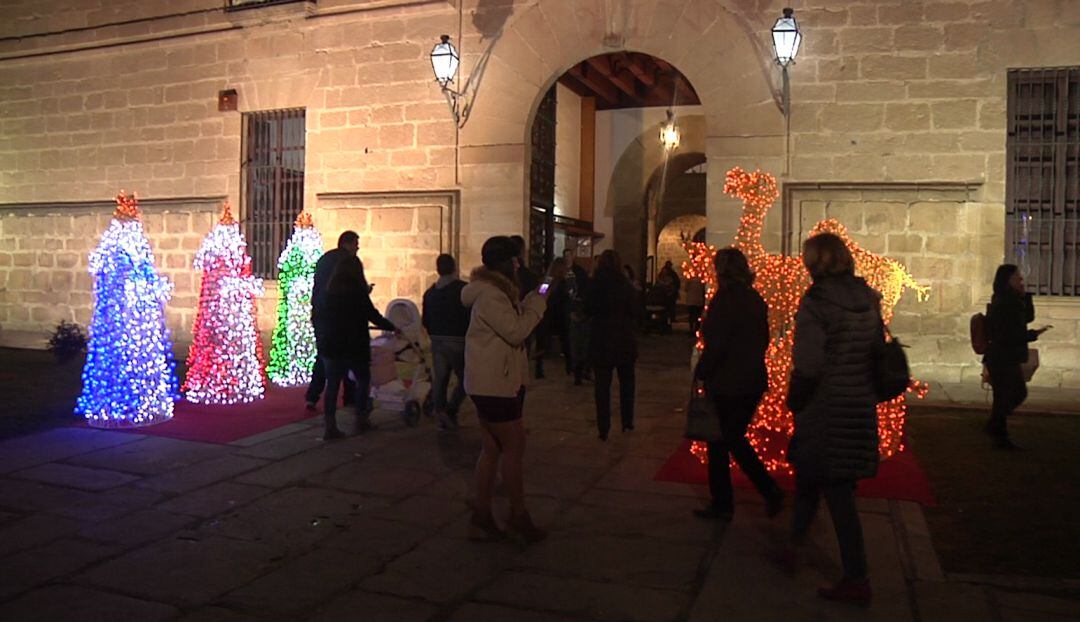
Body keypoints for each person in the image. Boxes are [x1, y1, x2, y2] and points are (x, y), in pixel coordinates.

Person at [786, 232, 881, 604]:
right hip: (858, 405)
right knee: (811, 479)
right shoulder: (867, 298)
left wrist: (795, 400)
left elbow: (808, 365)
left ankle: (857, 578)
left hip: (827, 409)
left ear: (816, 263)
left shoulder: (817, 302)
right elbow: (873, 353)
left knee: (838, 494)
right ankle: (793, 546)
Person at [461, 236, 551, 543]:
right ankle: (518, 515)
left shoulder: (498, 294)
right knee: (514, 446)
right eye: (514, 260)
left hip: (495, 381)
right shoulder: (490, 297)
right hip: (494, 385)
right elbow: (516, 331)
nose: (518, 265)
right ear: (502, 262)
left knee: (493, 448)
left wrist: (543, 289)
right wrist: (539, 301)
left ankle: (481, 514)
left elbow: (515, 316)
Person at [692, 248, 783, 520]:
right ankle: (726, 501)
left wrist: (703, 370)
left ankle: (761, 492)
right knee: (727, 439)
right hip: (751, 378)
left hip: (727, 380)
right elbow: (763, 339)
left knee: (725, 440)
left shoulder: (725, 300)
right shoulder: (754, 299)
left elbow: (717, 343)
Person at [317, 255, 396, 439]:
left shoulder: (329, 292)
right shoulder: (357, 293)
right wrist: (392, 327)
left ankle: (330, 426)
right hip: (354, 343)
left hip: (332, 344)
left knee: (333, 385)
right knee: (362, 380)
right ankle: (361, 419)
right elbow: (372, 315)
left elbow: (321, 315)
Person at [984, 264, 1049, 449]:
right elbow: (1008, 334)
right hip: (1003, 357)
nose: (1021, 280)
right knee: (1017, 392)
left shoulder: (1010, 300)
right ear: (1007, 280)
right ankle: (996, 427)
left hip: (1003, 356)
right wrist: (1033, 335)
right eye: (1017, 278)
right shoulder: (1005, 302)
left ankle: (998, 433)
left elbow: (1026, 318)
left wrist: (1026, 296)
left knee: (1002, 397)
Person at [307, 231, 361, 411]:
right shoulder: (350, 262)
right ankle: (349, 398)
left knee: (323, 356)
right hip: (341, 319)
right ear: (349, 243)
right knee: (347, 357)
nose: (357, 248)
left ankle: (312, 396)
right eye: (356, 244)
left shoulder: (324, 259)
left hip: (321, 315)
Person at [586, 250, 638, 440]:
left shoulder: (595, 285)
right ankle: (627, 421)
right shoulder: (625, 285)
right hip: (624, 339)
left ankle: (603, 427)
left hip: (602, 339)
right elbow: (634, 311)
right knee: (627, 383)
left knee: (602, 387)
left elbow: (587, 308)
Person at [422, 254, 469, 432]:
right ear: (454, 267)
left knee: (440, 379)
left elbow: (425, 320)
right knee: (466, 379)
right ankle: (451, 410)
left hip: (437, 340)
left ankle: (440, 413)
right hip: (458, 340)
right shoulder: (462, 289)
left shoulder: (430, 293)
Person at [656, 260, 681, 325]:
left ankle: (670, 319)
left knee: (671, 307)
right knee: (667, 308)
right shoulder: (665, 275)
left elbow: (676, 283)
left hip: (670, 294)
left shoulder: (672, 274)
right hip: (664, 295)